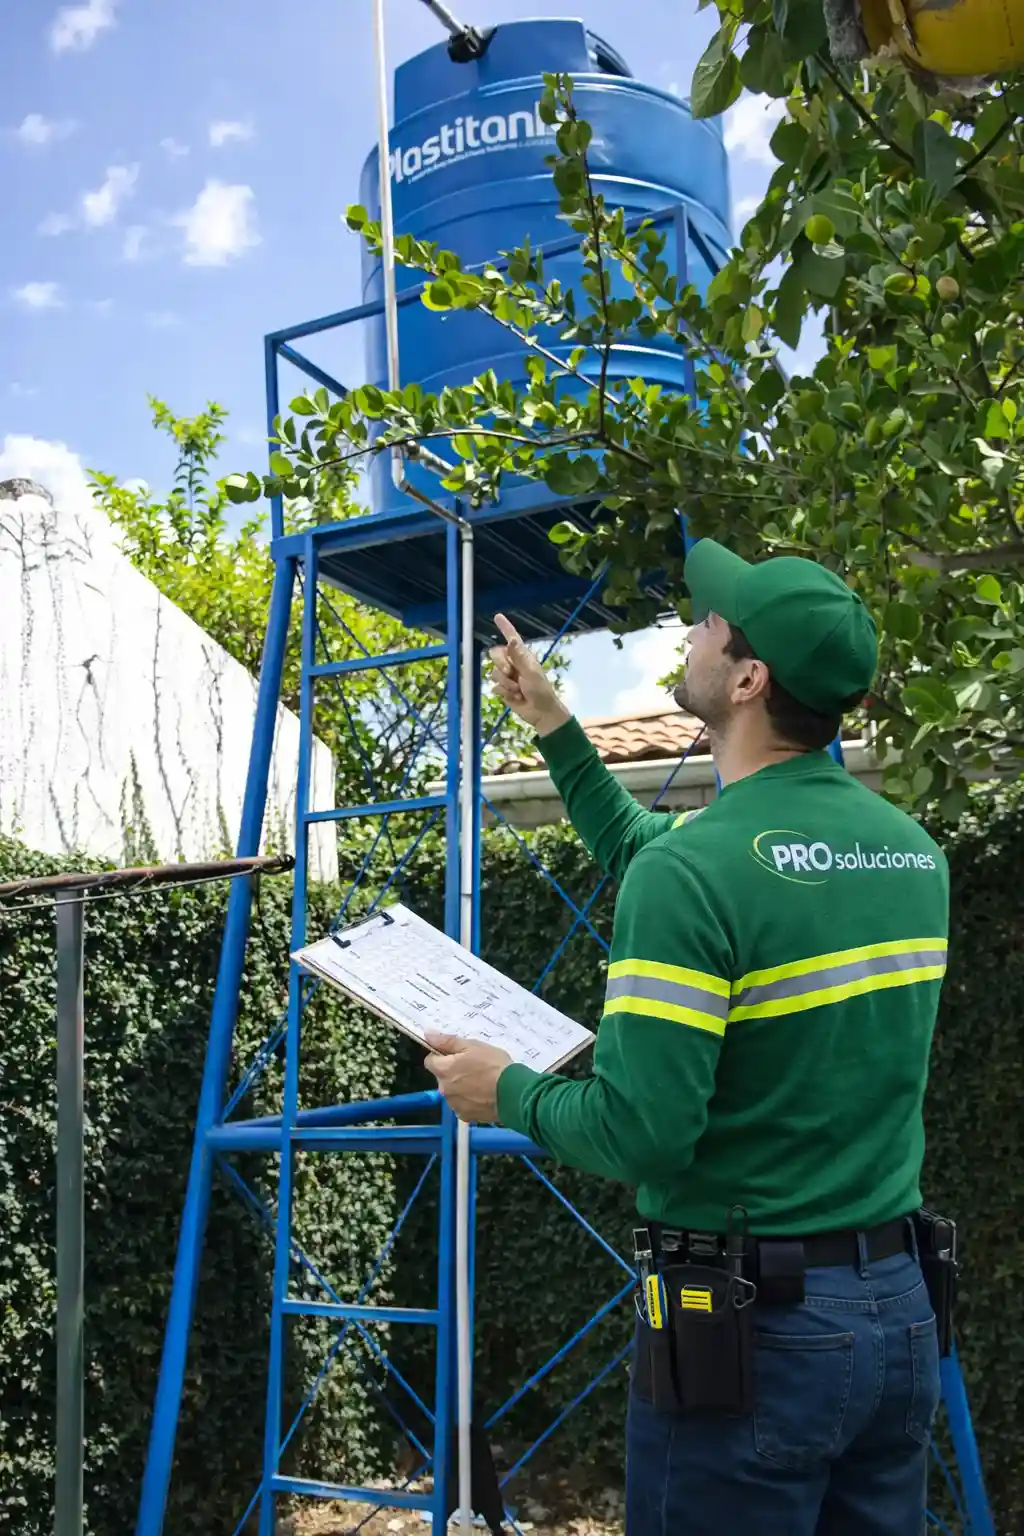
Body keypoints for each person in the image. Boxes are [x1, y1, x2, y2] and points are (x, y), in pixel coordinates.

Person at [423, 537, 948, 1536]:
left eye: (712, 621)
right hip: (896, 1309)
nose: (694, 626)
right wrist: (554, 724)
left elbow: (640, 1133)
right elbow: (645, 850)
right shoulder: (910, 854)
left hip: (759, 1340)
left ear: (747, 678)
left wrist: (511, 1091)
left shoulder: (699, 871)